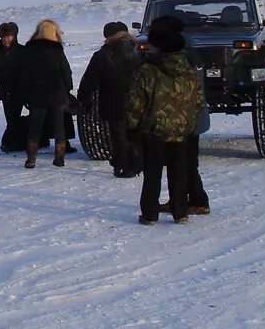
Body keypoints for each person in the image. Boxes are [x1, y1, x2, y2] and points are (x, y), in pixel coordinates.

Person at [126, 19, 206, 224]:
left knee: (152, 174)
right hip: (181, 130)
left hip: (154, 131)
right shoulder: (189, 68)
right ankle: (180, 212)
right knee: (178, 172)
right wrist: (188, 123)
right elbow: (197, 100)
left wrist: (132, 127)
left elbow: (136, 102)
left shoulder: (147, 70)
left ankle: (149, 214)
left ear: (159, 46)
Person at [148, 15, 211, 215]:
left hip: (181, 118)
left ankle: (197, 200)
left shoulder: (180, 56)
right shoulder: (190, 53)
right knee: (186, 162)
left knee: (186, 163)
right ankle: (184, 199)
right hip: (190, 117)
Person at [78, 22, 144, 177]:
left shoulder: (102, 55)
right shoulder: (139, 52)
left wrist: (84, 99)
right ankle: (137, 163)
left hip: (113, 101)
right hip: (138, 100)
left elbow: (89, 81)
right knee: (135, 133)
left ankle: (122, 165)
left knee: (118, 135)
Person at [22, 18, 73, 168]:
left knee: (35, 127)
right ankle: (59, 158)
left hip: (38, 95)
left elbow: (25, 75)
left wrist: (25, 93)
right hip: (57, 94)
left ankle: (31, 159)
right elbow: (66, 73)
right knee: (59, 127)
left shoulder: (30, 51)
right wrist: (67, 90)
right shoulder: (58, 51)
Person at [0, 22, 27, 153]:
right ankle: (9, 143)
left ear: (14, 36)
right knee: (11, 118)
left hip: (20, 90)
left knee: (14, 118)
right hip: (6, 91)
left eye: (9, 36)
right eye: (4, 37)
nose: (6, 39)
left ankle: (9, 142)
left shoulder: (21, 51)